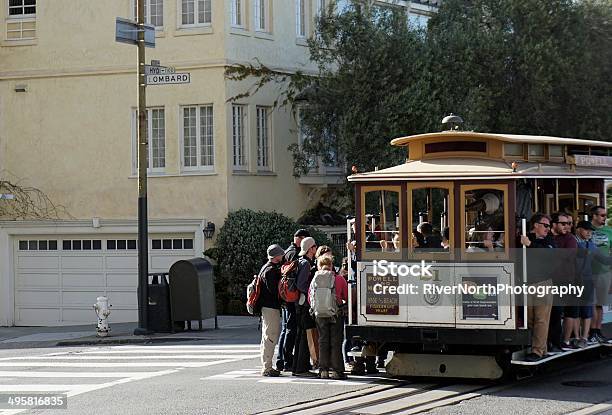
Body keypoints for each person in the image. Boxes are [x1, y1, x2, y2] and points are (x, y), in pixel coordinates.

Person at [520, 213, 555, 361]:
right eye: (546, 225)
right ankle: (540, 348)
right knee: (529, 319)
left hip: (543, 283)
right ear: (536, 225)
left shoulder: (549, 240)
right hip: (526, 283)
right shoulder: (523, 236)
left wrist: (529, 245)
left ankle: (537, 351)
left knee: (541, 319)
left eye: (549, 226)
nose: (548, 228)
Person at [276, 229, 310, 372]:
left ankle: (282, 360)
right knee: (290, 330)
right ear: (300, 239)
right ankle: (286, 360)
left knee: (286, 329)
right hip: (291, 297)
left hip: (286, 296)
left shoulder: (288, 251)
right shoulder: (293, 253)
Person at [309, 255, 348, 379]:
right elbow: (347, 297)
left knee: (323, 341)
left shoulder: (314, 279)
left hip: (320, 314)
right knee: (336, 341)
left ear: (319, 266)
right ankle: (337, 371)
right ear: (331, 265)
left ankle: (323, 370)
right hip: (336, 313)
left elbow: (310, 298)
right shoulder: (339, 279)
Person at [549, 212, 577, 353]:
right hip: (546, 280)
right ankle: (548, 343)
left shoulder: (570, 239)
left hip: (563, 281)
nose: (567, 226)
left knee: (557, 311)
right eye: (563, 223)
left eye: (568, 223)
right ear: (554, 224)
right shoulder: (547, 238)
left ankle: (557, 343)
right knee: (548, 313)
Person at [292, 236, 318, 377]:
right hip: (304, 305)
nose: (316, 249)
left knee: (300, 336)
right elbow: (301, 284)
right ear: (310, 249)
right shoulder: (306, 264)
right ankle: (302, 369)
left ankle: (297, 367)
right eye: (314, 247)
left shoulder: (300, 261)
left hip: (299, 304)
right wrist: (312, 291)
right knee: (305, 337)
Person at [258, 244, 284, 377]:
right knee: (271, 336)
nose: (283, 256)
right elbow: (274, 291)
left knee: (266, 336)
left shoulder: (265, 268)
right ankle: (267, 367)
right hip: (270, 307)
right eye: (281, 254)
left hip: (266, 307)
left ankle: (266, 365)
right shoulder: (271, 271)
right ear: (276, 256)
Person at [589, 206, 612, 344]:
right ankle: (590, 331)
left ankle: (598, 330)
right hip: (589, 271)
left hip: (605, 271)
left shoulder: (609, 230)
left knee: (600, 303)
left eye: (605, 215)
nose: (604, 218)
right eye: (602, 215)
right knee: (591, 302)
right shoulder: (587, 229)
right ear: (594, 216)